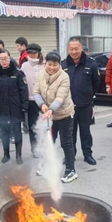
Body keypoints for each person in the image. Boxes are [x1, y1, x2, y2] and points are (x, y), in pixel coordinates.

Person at [34, 51, 77, 183]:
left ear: (59, 64)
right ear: (45, 63)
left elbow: (60, 97)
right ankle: (47, 165)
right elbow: (36, 92)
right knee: (48, 141)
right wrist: (42, 105)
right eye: (49, 64)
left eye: (55, 65)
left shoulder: (64, 77)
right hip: (48, 115)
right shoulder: (41, 74)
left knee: (66, 142)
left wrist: (51, 109)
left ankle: (71, 170)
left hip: (64, 114)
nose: (51, 67)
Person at [62, 37, 100, 165]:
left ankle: (88, 154)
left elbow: (96, 84)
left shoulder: (91, 64)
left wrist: (88, 96)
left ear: (81, 48)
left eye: (76, 49)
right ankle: (70, 156)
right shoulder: (63, 65)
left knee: (85, 132)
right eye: (71, 49)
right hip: (68, 107)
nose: (73, 51)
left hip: (85, 105)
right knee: (69, 134)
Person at [0, 49, 28, 164]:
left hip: (15, 107)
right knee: (4, 132)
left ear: (10, 58)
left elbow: (23, 90)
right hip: (1, 108)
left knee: (17, 132)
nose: (4, 61)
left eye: (6, 58)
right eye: (1, 59)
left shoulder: (18, 73)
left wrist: (24, 106)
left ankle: (18, 155)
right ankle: (6, 154)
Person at [20, 43, 44, 157]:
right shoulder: (24, 66)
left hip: (44, 100)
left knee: (45, 125)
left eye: (34, 53)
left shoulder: (45, 64)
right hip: (30, 99)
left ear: (39, 53)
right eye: (30, 53)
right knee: (32, 126)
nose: (32, 55)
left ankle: (46, 147)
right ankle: (35, 149)